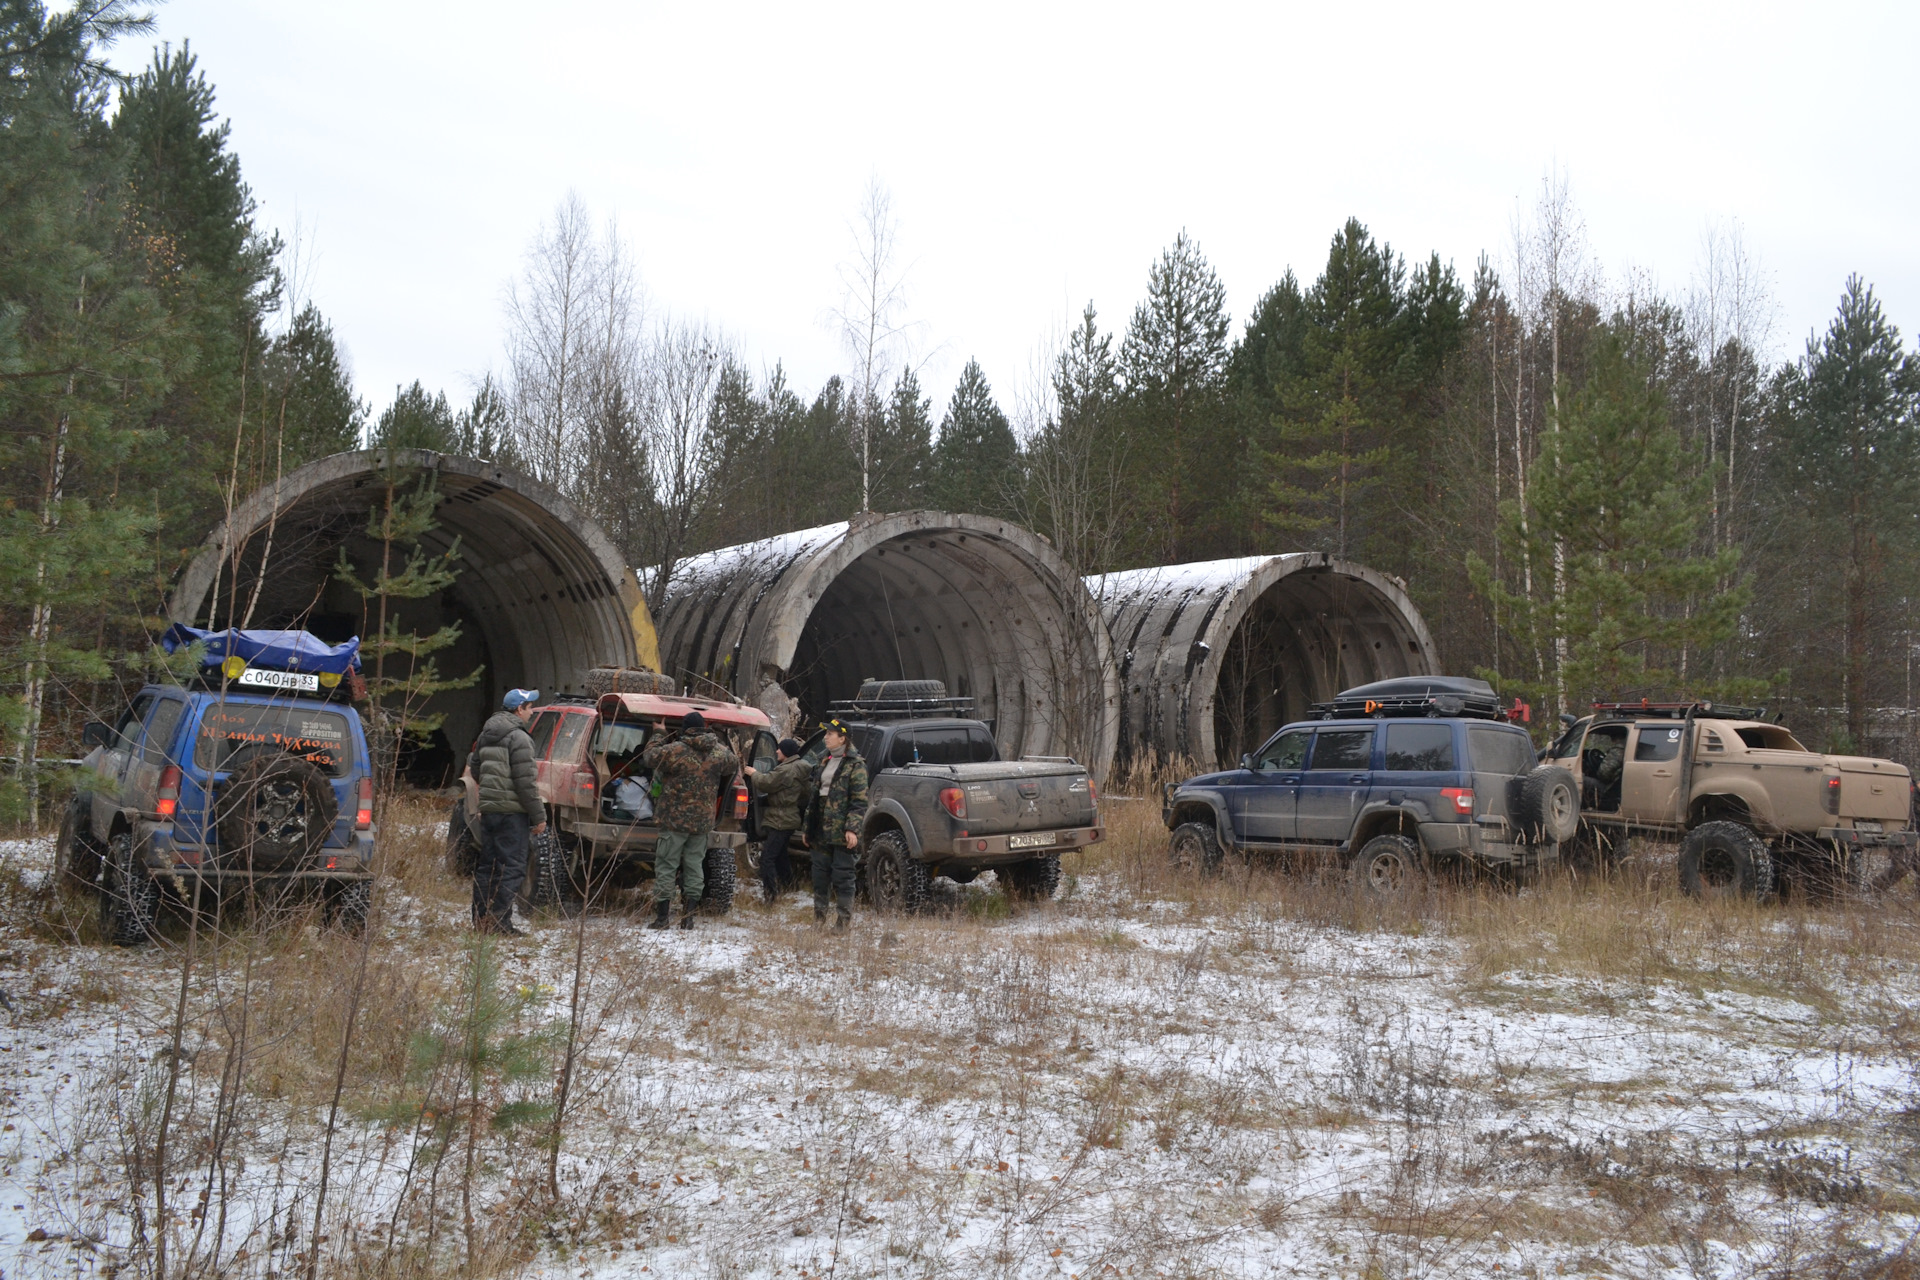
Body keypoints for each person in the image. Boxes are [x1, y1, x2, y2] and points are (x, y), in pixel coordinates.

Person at [640, 711, 739, 930]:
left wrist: (658, 733)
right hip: (702, 823)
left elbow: (649, 757)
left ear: (685, 729)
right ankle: (689, 918)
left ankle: (663, 918)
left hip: (674, 822)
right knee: (695, 867)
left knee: (667, 865)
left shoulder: (675, 750)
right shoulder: (719, 752)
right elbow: (734, 764)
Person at [471, 688, 548, 936]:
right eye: (529, 707)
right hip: (512, 814)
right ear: (518, 710)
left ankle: (481, 919)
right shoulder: (519, 738)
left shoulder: (486, 733)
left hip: (490, 811)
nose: (532, 711)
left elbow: (475, 769)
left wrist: (492, 792)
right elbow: (525, 783)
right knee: (512, 868)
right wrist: (539, 816)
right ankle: (499, 923)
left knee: (488, 867)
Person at [804, 718, 868, 931]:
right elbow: (814, 799)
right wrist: (808, 828)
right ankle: (819, 919)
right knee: (819, 875)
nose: (825, 737)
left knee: (843, 876)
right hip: (820, 829)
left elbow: (859, 801)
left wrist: (852, 829)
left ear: (842, 738)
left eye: (829, 734)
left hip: (841, 830)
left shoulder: (856, 765)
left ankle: (842, 922)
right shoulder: (823, 760)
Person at [743, 737, 808, 903]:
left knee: (767, 858)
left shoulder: (786, 770)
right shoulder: (800, 767)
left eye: (779, 749)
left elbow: (766, 783)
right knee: (780, 855)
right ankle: (790, 886)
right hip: (789, 817)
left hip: (780, 820)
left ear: (785, 752)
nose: (777, 751)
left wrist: (753, 773)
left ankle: (771, 896)